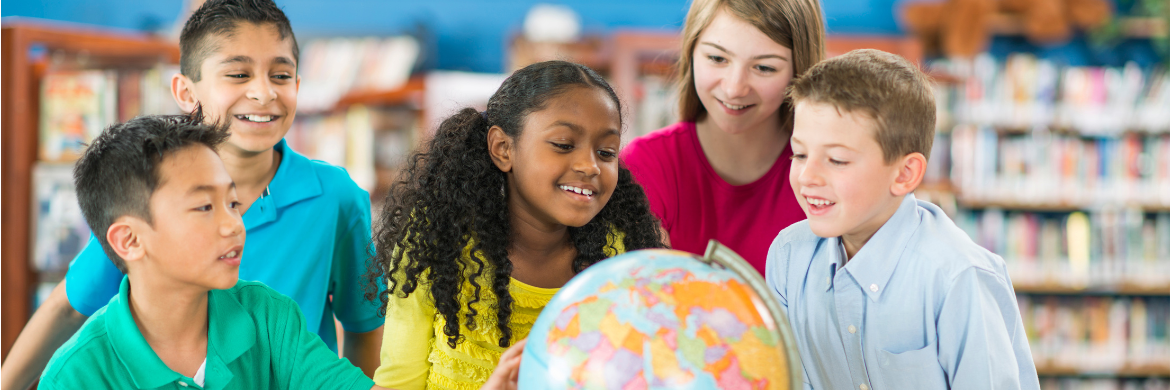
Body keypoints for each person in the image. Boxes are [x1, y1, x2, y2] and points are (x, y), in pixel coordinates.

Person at [1, 1, 382, 388]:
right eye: (238, 73)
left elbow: (365, 325)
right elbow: (68, 308)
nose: (264, 93)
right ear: (185, 92)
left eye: (281, 75)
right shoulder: (149, 194)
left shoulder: (336, 199)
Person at [39, 115, 525, 390]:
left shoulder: (269, 317)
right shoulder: (78, 373)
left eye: (233, 202)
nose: (234, 223)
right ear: (129, 240)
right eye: (205, 207)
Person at [366, 60, 667, 390]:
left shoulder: (623, 262)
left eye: (606, 151)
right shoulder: (435, 249)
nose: (590, 166)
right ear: (502, 148)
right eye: (564, 145)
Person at [765, 49, 1040, 390]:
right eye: (800, 153)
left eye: (836, 160)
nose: (807, 176)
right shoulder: (788, 255)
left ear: (905, 174)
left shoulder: (958, 278)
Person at [620, 0, 826, 274]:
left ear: (800, 72)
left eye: (764, 68)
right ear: (691, 53)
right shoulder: (645, 164)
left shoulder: (827, 173)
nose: (733, 89)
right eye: (717, 59)